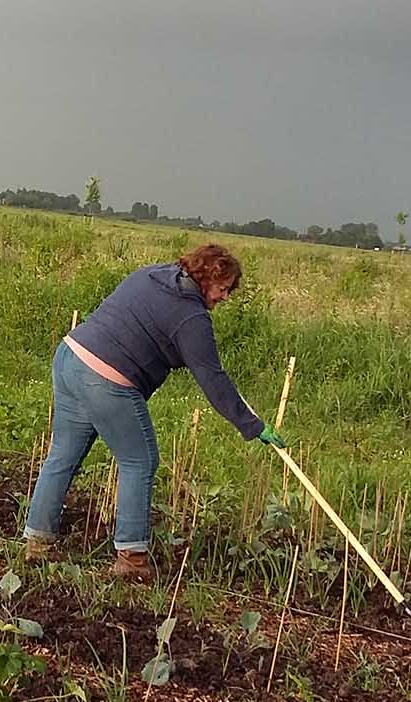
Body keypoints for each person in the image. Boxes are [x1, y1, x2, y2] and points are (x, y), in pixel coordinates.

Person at [22, 243, 287, 583]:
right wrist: (252, 425)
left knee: (62, 455)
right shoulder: (191, 317)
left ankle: (38, 542)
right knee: (140, 461)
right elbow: (212, 378)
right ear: (207, 277)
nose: (224, 297)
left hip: (70, 358)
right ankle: (132, 560)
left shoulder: (153, 275)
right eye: (223, 288)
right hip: (106, 379)